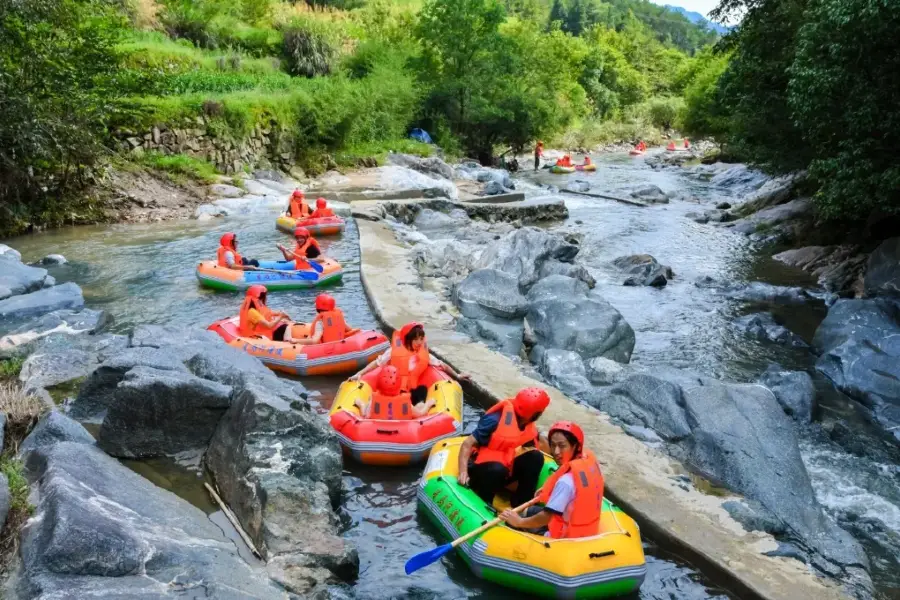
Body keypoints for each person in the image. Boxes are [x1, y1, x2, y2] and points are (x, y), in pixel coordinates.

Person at [499, 420, 604, 539]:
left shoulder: (565, 482)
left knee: (510, 522)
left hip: (562, 537)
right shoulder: (586, 462)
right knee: (528, 511)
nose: (556, 452)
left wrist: (518, 522)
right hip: (582, 529)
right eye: (553, 445)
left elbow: (546, 517)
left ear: (575, 446)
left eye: (562, 446)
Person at [457, 387, 551, 507]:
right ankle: (485, 502)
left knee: (536, 457)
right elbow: (467, 443)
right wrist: (463, 472)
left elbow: (533, 443)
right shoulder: (495, 420)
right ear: (535, 414)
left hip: (504, 467)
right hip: (480, 469)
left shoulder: (526, 423)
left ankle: (521, 506)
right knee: (498, 469)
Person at [350, 322, 469, 404]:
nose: (419, 342)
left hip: (412, 390)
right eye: (416, 339)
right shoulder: (393, 351)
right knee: (378, 399)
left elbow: (442, 365)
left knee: (421, 392)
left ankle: (418, 412)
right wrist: (359, 373)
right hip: (393, 388)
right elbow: (377, 363)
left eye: (421, 339)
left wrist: (457, 375)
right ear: (408, 339)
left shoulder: (423, 354)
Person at [354, 365, 436, 419]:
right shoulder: (405, 402)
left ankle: (361, 403)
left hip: (378, 430)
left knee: (368, 402)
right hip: (402, 432)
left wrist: (361, 404)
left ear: (379, 384)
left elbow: (366, 415)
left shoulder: (374, 400)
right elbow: (420, 414)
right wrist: (428, 404)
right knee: (420, 405)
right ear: (399, 384)